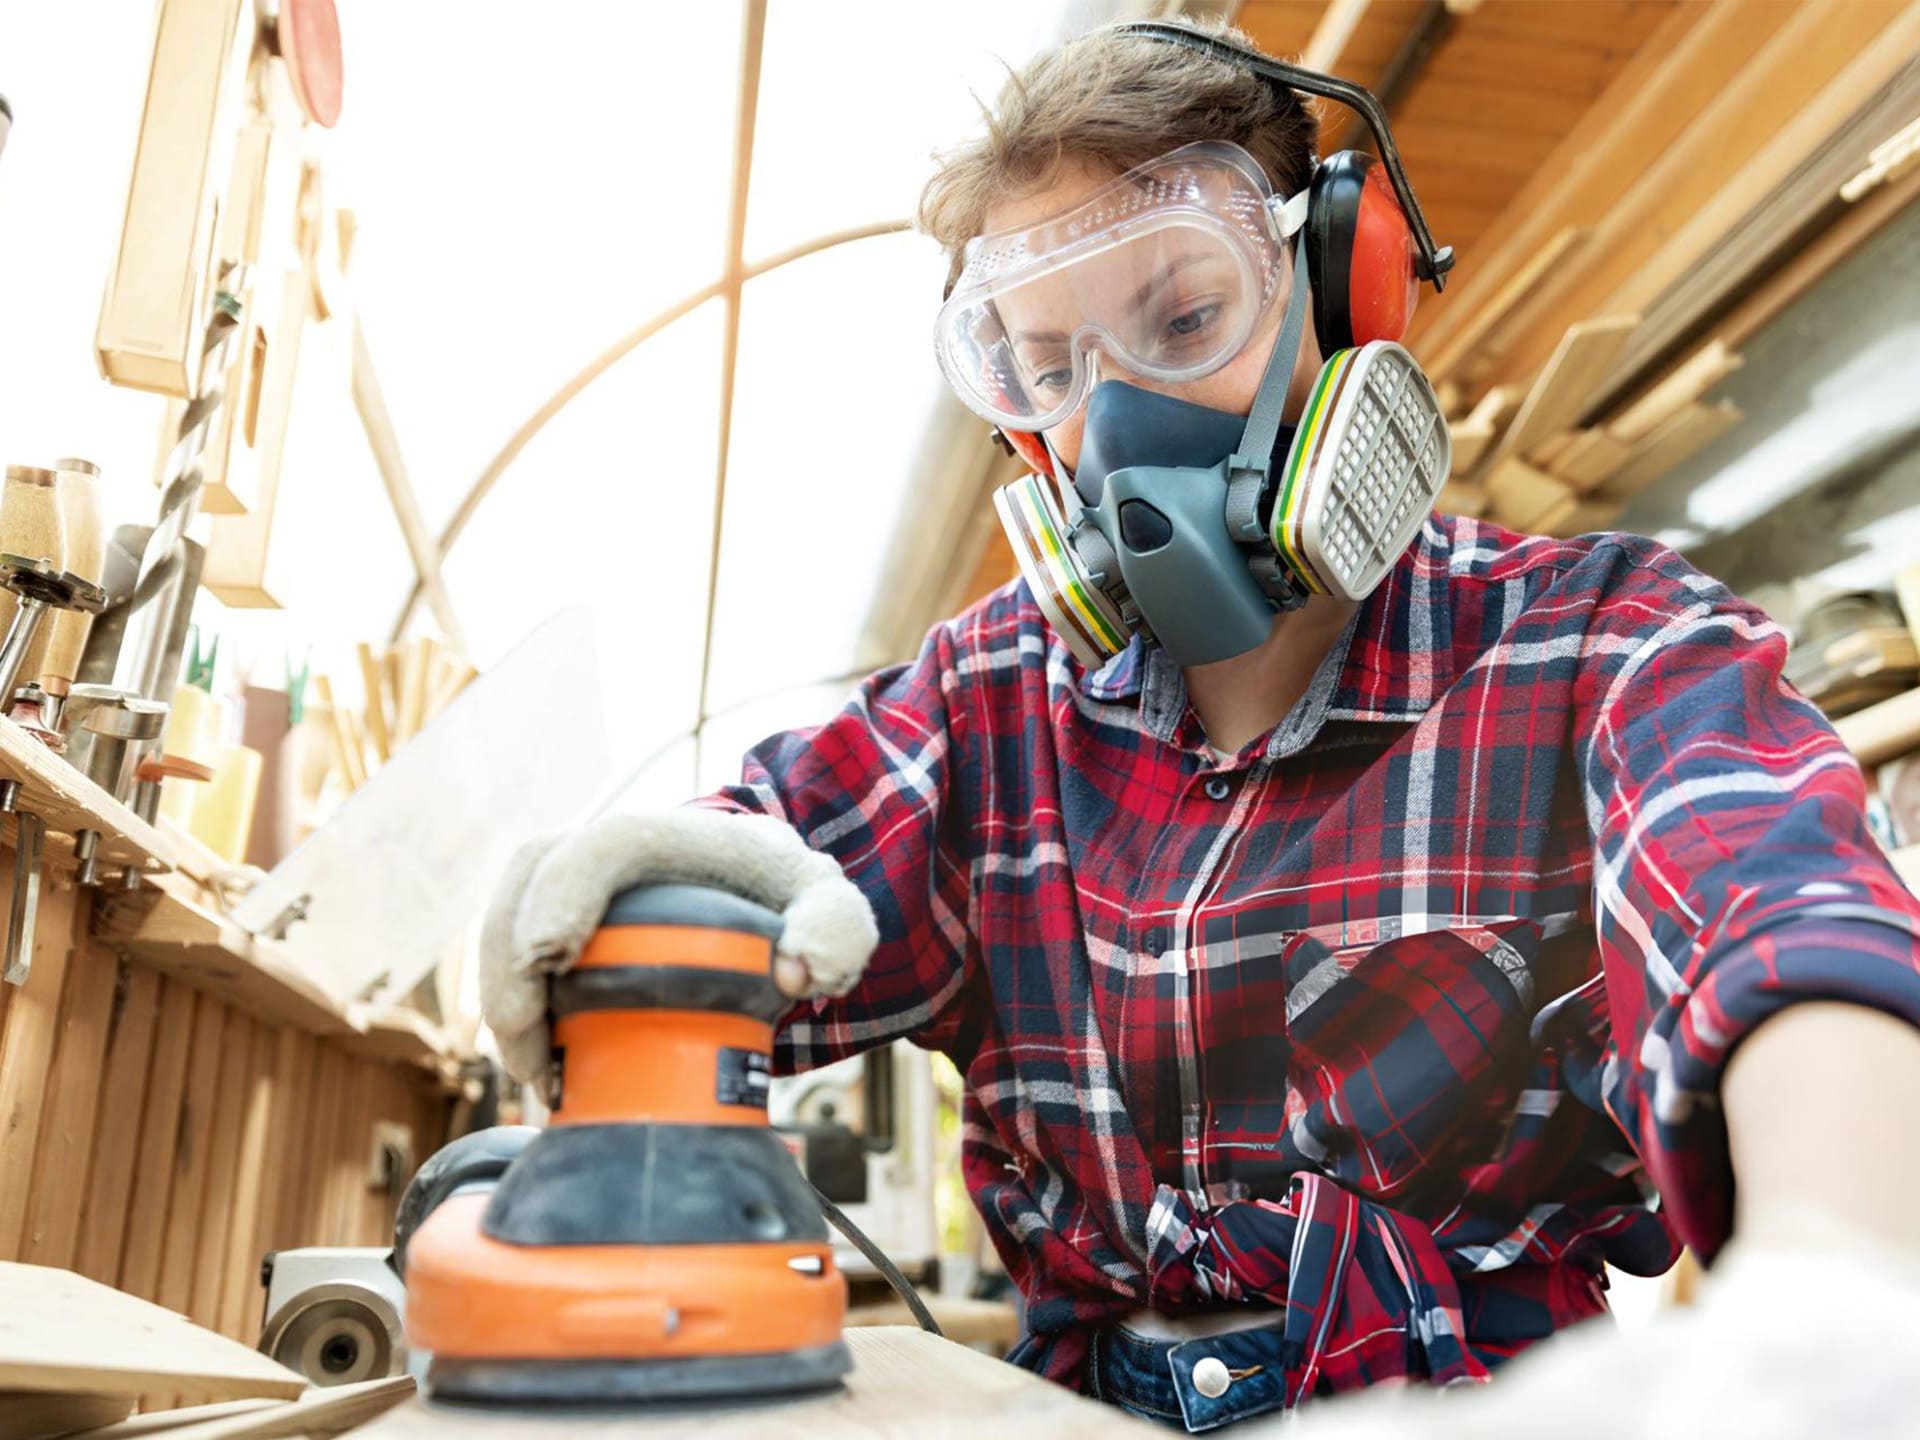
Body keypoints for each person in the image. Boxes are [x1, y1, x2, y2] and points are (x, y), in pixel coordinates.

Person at [481, 19, 1920, 1433]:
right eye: (1049, 367)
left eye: (1184, 319)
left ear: (1340, 291)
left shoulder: (1599, 646)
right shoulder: (989, 703)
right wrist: (643, 911)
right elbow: (743, 885)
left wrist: (1838, 1294)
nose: (1116, 421)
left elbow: (1774, 918)